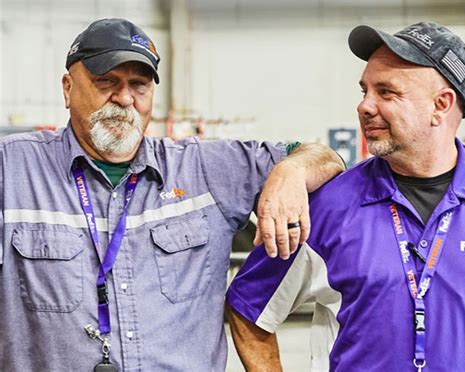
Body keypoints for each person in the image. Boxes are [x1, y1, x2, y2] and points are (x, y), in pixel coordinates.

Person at [0, 18, 344, 371]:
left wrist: (291, 171)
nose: (124, 98)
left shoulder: (207, 170)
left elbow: (325, 157)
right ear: (68, 88)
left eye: (139, 84)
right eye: (106, 82)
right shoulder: (12, 169)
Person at [226, 21, 465, 372]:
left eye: (387, 92)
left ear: (441, 105)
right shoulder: (329, 207)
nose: (365, 107)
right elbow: (247, 305)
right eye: (364, 91)